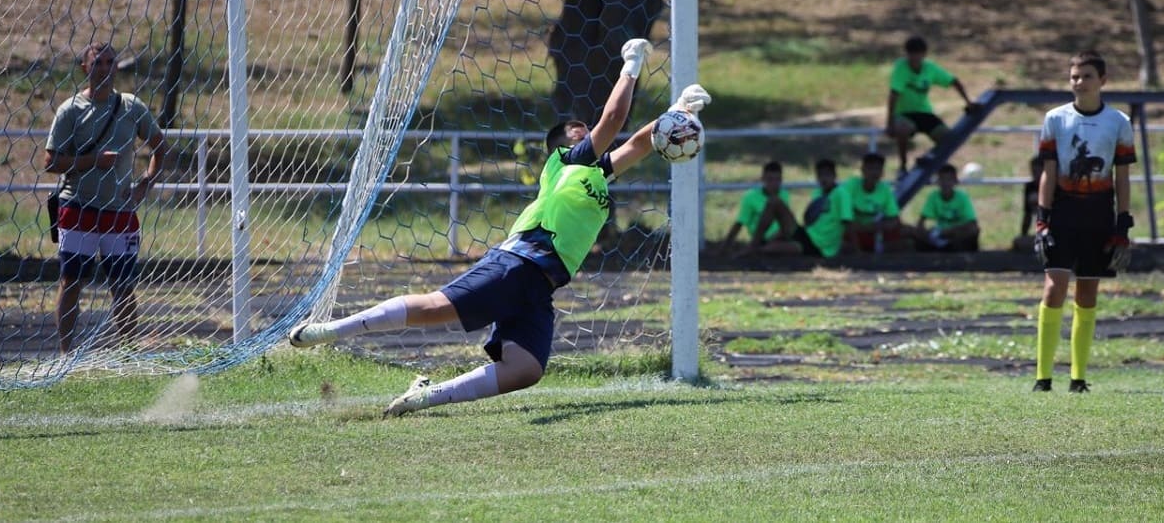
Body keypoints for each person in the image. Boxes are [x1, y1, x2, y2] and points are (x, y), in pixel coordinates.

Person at [288, 39, 712, 416]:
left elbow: (637, 144)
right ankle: (330, 331)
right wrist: (632, 63)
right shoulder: (564, 163)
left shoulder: (595, 175)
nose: (587, 132)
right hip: (518, 262)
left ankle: (426, 396)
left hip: (540, 283)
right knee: (436, 308)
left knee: (525, 368)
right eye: (578, 131)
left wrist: (676, 114)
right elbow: (616, 120)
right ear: (563, 146)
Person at [44, 41, 166, 354]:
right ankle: (66, 355)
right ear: (85, 68)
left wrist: (144, 185)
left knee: (123, 287)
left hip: (120, 211)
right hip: (78, 207)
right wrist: (92, 161)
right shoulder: (70, 110)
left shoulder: (131, 107)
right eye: (97, 62)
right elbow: (51, 163)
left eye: (110, 62)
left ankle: (128, 354)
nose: (104, 68)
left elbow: (160, 147)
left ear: (116, 68)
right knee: (71, 283)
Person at [1032, 50, 1135, 393]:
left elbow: (1122, 176)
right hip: (1062, 214)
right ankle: (1042, 378)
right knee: (1053, 288)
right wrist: (1042, 220)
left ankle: (1077, 378)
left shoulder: (1118, 122)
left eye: (1087, 76)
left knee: (1087, 293)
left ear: (1102, 81)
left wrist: (1123, 224)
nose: (1079, 82)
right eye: (1074, 76)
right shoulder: (1055, 119)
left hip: (1098, 215)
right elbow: (1047, 173)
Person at [886, 35, 979, 178]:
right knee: (902, 129)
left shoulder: (930, 68)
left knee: (948, 138)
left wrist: (968, 101)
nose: (915, 59)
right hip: (905, 113)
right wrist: (890, 122)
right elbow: (893, 95)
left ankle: (929, 159)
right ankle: (903, 166)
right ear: (907, 55)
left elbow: (954, 81)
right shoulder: (901, 68)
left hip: (924, 113)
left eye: (918, 54)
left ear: (924, 55)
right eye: (911, 55)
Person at [720, 158, 853, 259]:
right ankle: (755, 245)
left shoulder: (841, 193)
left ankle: (755, 248)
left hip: (819, 247)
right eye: (820, 175)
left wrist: (856, 250)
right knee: (774, 203)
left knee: (773, 249)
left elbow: (847, 223)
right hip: (807, 236)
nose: (824, 179)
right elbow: (810, 221)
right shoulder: (818, 193)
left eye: (827, 175)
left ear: (835, 175)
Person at [719, 161, 795, 256]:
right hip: (764, 238)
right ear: (763, 179)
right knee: (773, 203)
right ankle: (756, 246)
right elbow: (740, 222)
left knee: (795, 247)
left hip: (781, 236)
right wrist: (725, 246)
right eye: (770, 179)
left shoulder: (784, 194)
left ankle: (756, 250)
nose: (774, 184)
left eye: (777, 180)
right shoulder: (751, 197)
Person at [841, 152, 908, 253]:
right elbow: (844, 217)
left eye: (878, 169)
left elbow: (895, 219)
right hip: (853, 232)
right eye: (870, 168)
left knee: (901, 232)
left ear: (882, 172)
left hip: (872, 232)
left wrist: (880, 226)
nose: (874, 173)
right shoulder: (851, 186)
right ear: (863, 170)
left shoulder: (885, 190)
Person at [909, 163, 980, 252]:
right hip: (939, 234)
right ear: (938, 181)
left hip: (956, 234)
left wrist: (949, 231)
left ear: (955, 181)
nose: (946, 183)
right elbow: (921, 221)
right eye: (942, 179)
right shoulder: (933, 196)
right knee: (912, 231)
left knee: (972, 231)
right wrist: (924, 232)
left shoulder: (962, 197)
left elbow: (972, 223)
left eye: (949, 179)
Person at [1011, 155, 1044, 253]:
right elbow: (1027, 214)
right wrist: (1023, 234)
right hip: (1041, 235)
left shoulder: (1055, 188)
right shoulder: (1030, 187)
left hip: (1055, 234)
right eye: (1034, 171)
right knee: (1018, 242)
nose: (1036, 175)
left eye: (1039, 171)